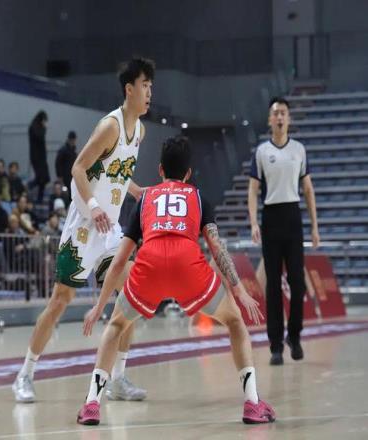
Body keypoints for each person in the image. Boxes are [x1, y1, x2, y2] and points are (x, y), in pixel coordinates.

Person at [77, 136, 276, 426]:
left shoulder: (145, 199)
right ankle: (253, 403)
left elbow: (119, 261)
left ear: (160, 169)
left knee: (116, 325)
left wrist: (99, 306)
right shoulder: (199, 198)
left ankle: (92, 404)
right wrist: (239, 290)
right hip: (188, 267)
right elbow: (217, 249)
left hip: (150, 266)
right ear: (189, 173)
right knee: (235, 322)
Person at [12, 57, 154, 403]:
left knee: (131, 295)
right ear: (129, 89)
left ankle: (118, 378)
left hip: (110, 230)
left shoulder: (140, 131)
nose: (150, 92)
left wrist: (135, 190)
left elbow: (115, 170)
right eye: (145, 86)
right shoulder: (110, 126)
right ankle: (24, 375)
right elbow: (78, 168)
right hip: (85, 225)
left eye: (152, 86)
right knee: (61, 300)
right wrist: (93, 205)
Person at [248, 97, 320, 366]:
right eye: (275, 113)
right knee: (273, 286)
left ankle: (295, 336)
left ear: (288, 118)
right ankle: (276, 345)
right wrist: (254, 222)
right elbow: (253, 190)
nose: (279, 117)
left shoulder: (299, 150)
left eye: (283, 113)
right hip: (271, 217)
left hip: (292, 217)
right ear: (270, 119)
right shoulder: (261, 152)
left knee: (298, 282)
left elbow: (308, 190)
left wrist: (314, 227)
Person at [29, 111, 50, 202]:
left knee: (45, 178)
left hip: (42, 157)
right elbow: (39, 137)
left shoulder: (38, 127)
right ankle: (28, 186)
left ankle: (39, 197)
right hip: (36, 157)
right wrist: (44, 128)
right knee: (40, 178)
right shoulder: (34, 127)